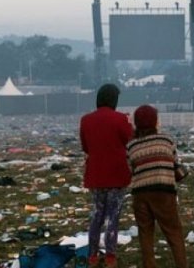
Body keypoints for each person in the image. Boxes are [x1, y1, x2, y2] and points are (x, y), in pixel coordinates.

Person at [80, 84, 133, 268]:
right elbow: (130, 140)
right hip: (117, 175)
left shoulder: (85, 120)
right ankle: (110, 256)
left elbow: (85, 147)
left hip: (95, 175)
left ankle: (92, 256)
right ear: (114, 100)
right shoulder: (121, 119)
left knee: (96, 216)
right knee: (113, 216)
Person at [128, 105, 187, 268]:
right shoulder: (166, 140)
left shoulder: (131, 146)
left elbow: (130, 169)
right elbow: (175, 164)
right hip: (163, 192)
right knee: (174, 233)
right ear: (154, 121)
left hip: (140, 194)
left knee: (145, 234)